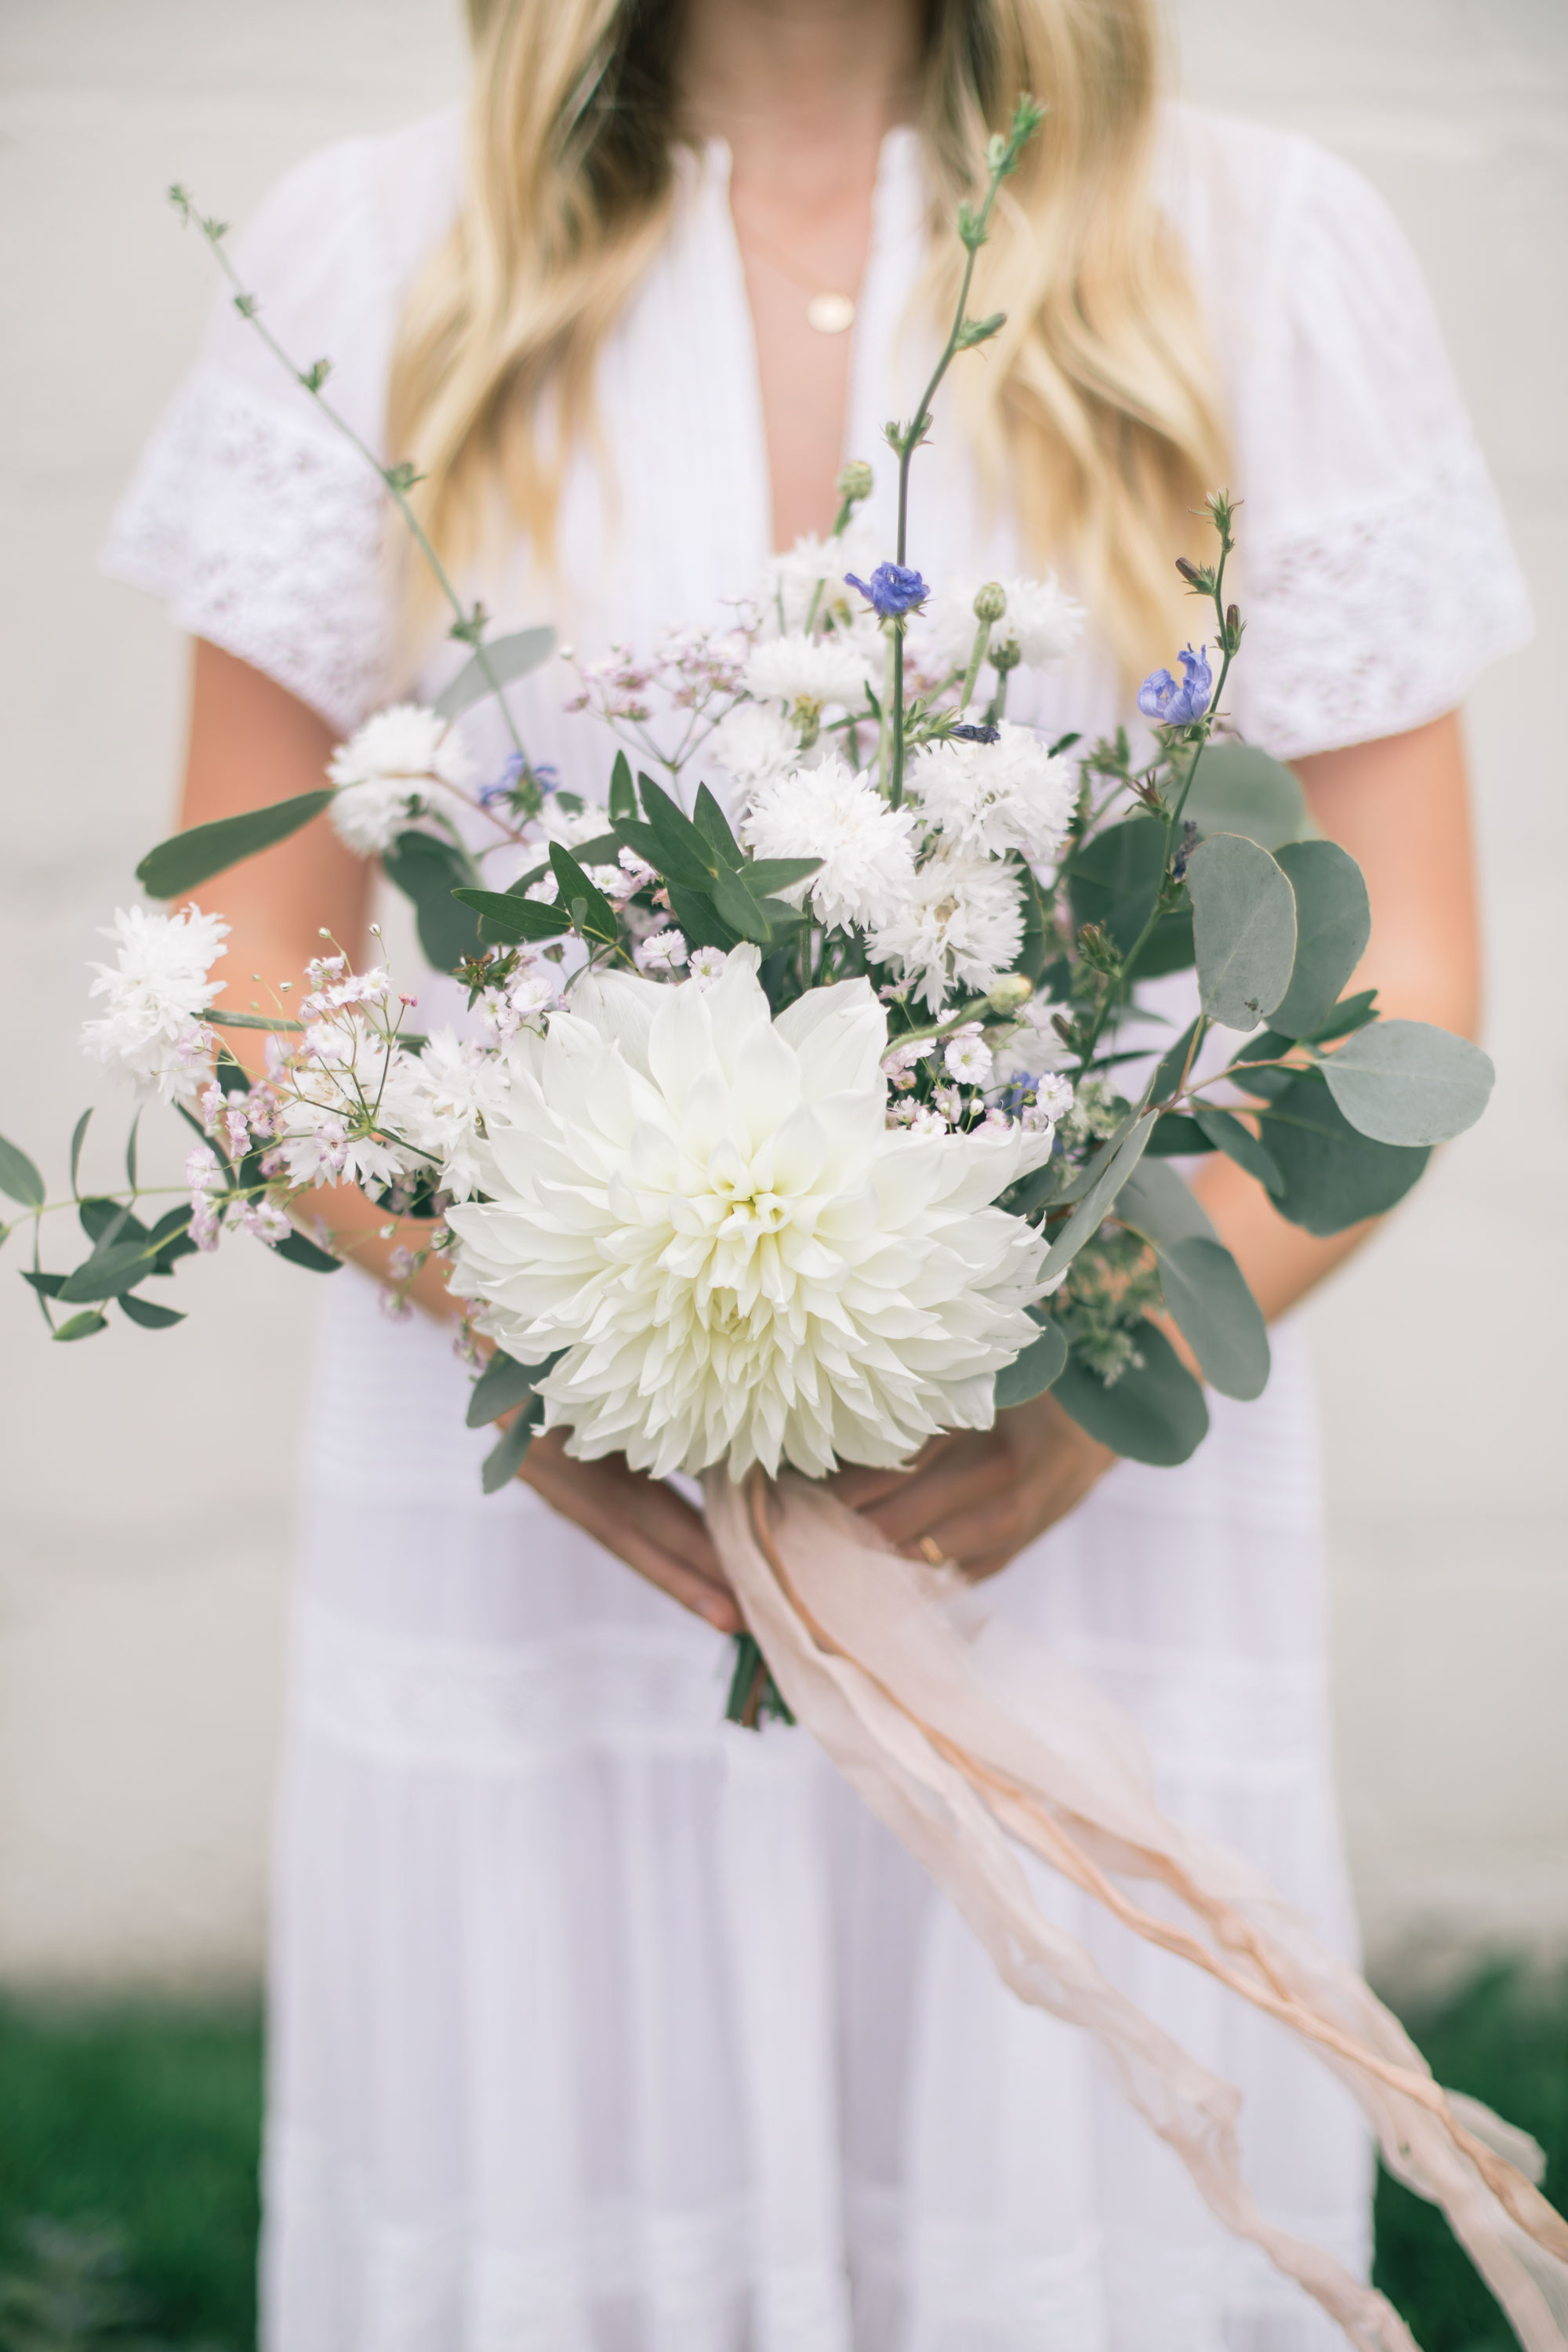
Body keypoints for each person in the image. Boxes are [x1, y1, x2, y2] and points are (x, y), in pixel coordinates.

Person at [104, 0, 1530, 2342]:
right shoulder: (369, 260)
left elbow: (1412, 986)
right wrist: (530, 1332)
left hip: (1063, 1496)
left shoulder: (1265, 256)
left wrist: (1102, 1369)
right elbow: (243, 952)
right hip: (551, 1520)